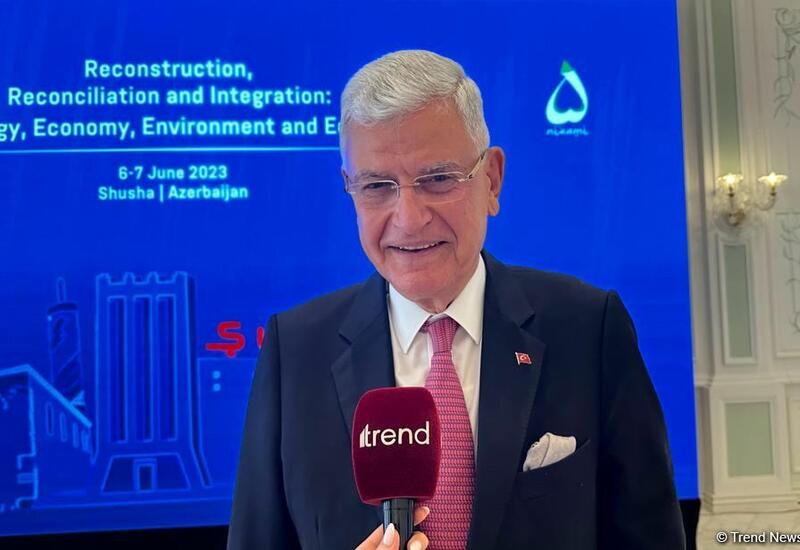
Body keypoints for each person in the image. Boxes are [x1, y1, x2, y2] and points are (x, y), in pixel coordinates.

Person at [227, 49, 686, 550]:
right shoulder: (295, 351)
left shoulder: (589, 328)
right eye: (377, 186)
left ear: (491, 180)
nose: (409, 219)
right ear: (350, 190)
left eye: (438, 179)